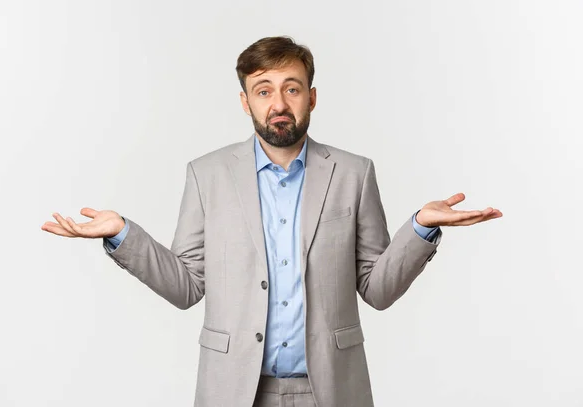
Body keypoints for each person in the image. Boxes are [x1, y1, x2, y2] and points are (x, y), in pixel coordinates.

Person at [41, 36, 502, 407]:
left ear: (312, 97)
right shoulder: (206, 174)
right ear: (245, 102)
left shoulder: (355, 173)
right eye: (263, 90)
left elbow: (377, 290)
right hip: (235, 390)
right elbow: (186, 287)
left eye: (292, 87)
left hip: (332, 390)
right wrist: (123, 232)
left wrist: (420, 227)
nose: (278, 102)